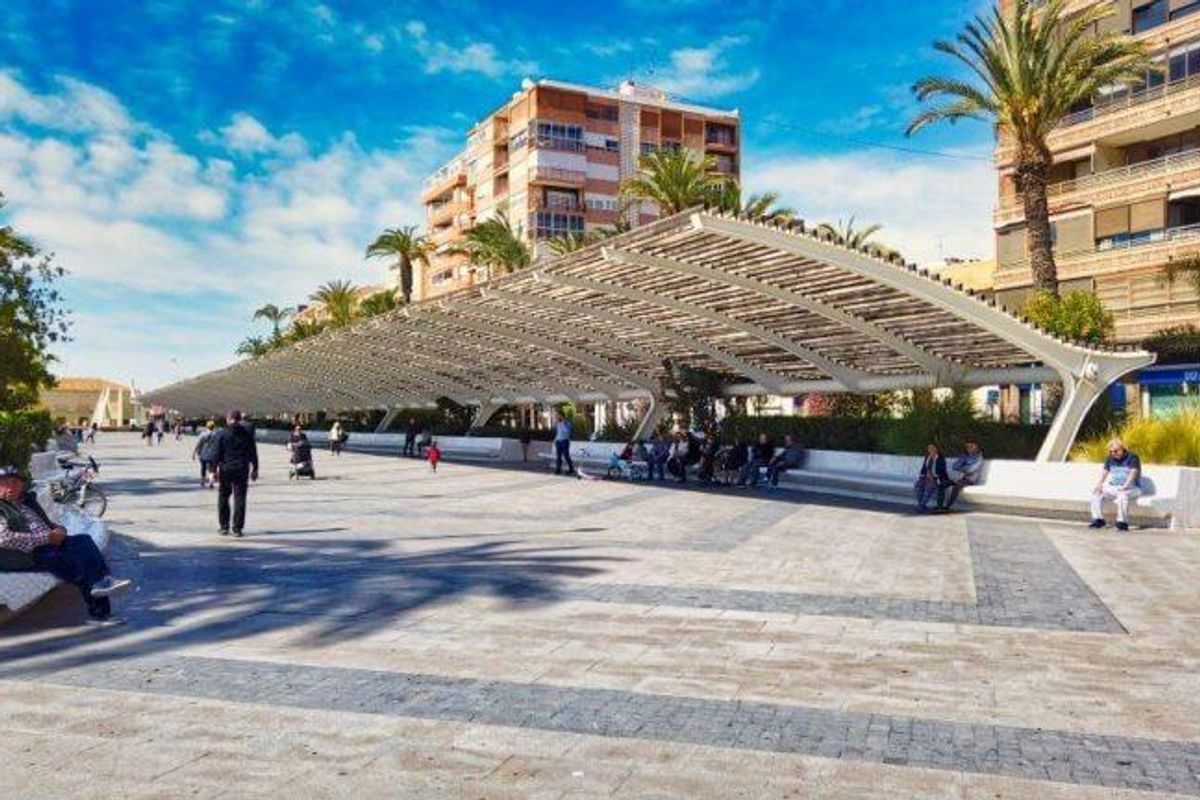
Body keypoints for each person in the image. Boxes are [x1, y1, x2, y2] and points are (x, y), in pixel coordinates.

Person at [0, 466, 132, 622]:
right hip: (26, 554)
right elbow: (4, 538)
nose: (11, 487)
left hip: (49, 543)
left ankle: (102, 584)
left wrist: (58, 528)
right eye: (6, 483)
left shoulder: (26, 502)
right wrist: (47, 538)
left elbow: (44, 523)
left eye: (16, 483)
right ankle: (101, 599)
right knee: (81, 563)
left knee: (84, 541)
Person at [210, 410, 259, 538]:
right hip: (242, 469)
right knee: (240, 498)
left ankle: (224, 527)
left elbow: (216, 454)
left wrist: (213, 471)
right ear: (239, 419)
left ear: (228, 419)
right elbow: (253, 452)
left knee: (223, 497)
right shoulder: (247, 434)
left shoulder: (221, 434)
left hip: (226, 469)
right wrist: (255, 468)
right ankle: (237, 528)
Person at [1090, 438, 1141, 532]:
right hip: (1114, 487)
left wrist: (1125, 485)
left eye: (1116, 451)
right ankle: (1098, 520)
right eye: (1111, 451)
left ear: (1122, 449)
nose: (1113, 453)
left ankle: (1122, 523)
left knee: (1123, 495)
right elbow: (1105, 472)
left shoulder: (1132, 457)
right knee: (1097, 493)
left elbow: (1133, 472)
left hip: (1131, 487)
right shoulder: (1110, 458)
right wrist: (1099, 484)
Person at [943, 439, 984, 510]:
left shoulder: (979, 457)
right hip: (959, 478)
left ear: (976, 447)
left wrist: (963, 467)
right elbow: (955, 466)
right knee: (944, 483)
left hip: (970, 480)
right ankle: (940, 503)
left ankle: (948, 505)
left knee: (956, 486)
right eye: (967, 447)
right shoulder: (964, 456)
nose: (969, 448)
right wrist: (965, 466)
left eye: (971, 446)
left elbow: (971, 470)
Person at [914, 443, 949, 511]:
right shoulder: (927, 457)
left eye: (932, 448)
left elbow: (942, 471)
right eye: (929, 448)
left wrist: (932, 476)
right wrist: (922, 476)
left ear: (936, 449)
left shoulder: (941, 459)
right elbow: (923, 468)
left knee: (929, 487)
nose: (930, 450)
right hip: (926, 477)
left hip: (937, 478)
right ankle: (921, 505)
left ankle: (922, 505)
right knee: (918, 485)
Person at [192, 420, 218, 488]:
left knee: (203, 468)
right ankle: (211, 482)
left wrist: (194, 453)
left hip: (203, 453)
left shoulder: (203, 434)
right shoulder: (216, 435)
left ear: (207, 427)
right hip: (213, 454)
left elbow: (198, 444)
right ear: (214, 427)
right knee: (211, 469)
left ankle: (203, 481)